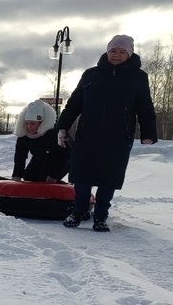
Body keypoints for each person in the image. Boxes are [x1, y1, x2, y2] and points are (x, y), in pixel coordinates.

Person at [53, 34, 157, 232]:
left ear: (129, 54)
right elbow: (74, 103)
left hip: (118, 137)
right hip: (88, 134)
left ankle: (100, 216)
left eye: (122, 52)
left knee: (108, 179)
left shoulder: (138, 77)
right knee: (81, 177)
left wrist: (148, 132)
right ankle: (80, 211)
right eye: (113, 51)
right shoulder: (91, 75)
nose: (117, 55)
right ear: (107, 52)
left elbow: (145, 107)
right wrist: (62, 127)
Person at [11, 99, 70, 182]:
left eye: (32, 124)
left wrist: (53, 176)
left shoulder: (53, 134)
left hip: (63, 159)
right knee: (29, 177)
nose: (29, 127)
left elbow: (65, 154)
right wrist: (16, 176)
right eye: (27, 123)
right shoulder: (23, 135)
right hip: (40, 157)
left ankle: (60, 187)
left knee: (44, 180)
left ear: (41, 124)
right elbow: (20, 157)